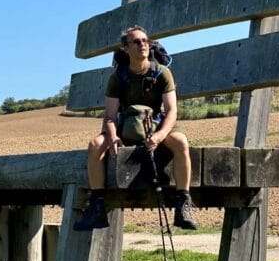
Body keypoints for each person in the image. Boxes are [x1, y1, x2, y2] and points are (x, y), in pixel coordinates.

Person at [73, 25, 198, 231]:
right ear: (126, 48)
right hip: (127, 127)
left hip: (157, 125)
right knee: (96, 145)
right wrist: (113, 137)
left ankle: (183, 203)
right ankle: (97, 207)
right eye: (137, 42)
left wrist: (159, 136)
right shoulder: (118, 78)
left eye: (145, 41)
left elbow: (171, 111)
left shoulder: (162, 73)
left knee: (180, 142)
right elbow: (111, 116)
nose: (143, 45)